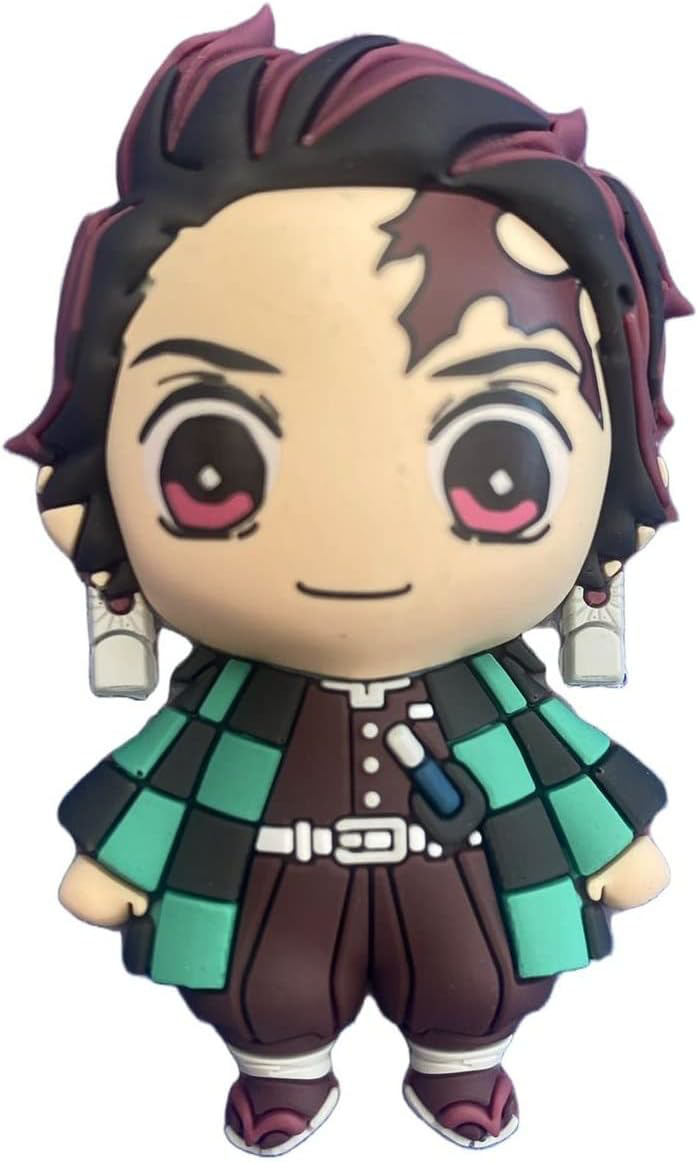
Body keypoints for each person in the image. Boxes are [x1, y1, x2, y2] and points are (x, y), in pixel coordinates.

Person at [8, 6, 688, 1154]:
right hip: (273, 889)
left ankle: (461, 1066)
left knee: (474, 980)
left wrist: (611, 843)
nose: (356, 529)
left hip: (458, 886)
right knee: (265, 988)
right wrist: (114, 858)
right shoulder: (229, 701)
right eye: (211, 463)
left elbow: (559, 772)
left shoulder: (494, 699)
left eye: (494, 467)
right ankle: (281, 1076)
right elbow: (167, 780)